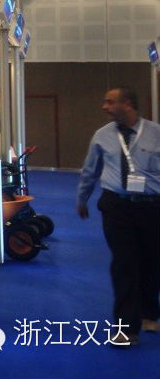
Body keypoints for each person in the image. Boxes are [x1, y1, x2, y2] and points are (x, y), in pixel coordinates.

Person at [76, 86, 160, 346]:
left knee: (151, 262)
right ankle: (126, 328)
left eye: (110, 102)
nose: (104, 107)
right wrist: (82, 198)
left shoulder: (155, 133)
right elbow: (90, 170)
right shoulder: (102, 136)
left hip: (151, 207)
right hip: (116, 206)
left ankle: (149, 313)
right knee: (124, 264)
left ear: (128, 105)